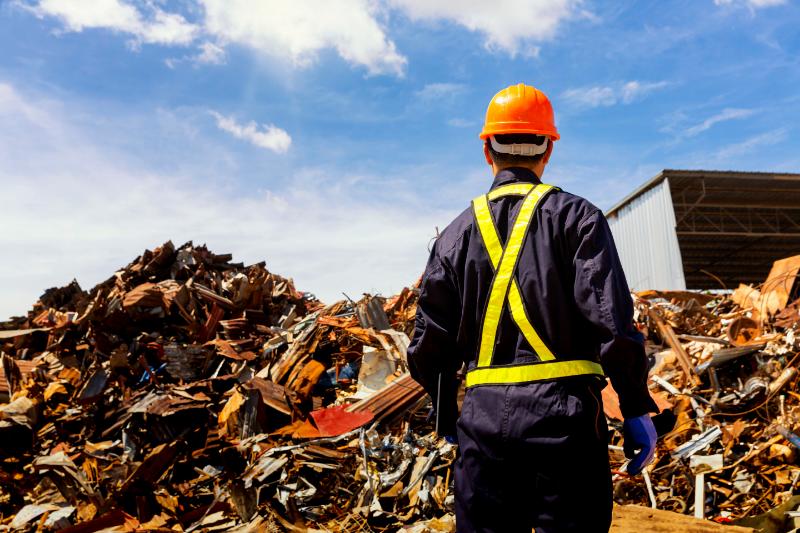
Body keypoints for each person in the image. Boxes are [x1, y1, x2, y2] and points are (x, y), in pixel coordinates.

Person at [407, 83, 658, 533]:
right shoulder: (578, 218)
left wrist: (447, 413)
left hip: (481, 425)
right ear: (548, 150)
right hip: (565, 424)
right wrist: (635, 408)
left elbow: (429, 344)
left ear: (488, 150)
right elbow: (613, 325)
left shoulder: (453, 235)